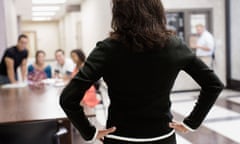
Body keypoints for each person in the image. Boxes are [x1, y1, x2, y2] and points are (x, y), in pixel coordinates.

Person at [60, 0, 224, 144]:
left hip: (121, 137)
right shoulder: (175, 46)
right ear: (157, 10)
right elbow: (213, 84)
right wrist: (191, 123)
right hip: (163, 137)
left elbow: (68, 98)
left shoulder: (107, 49)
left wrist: (90, 132)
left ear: (119, 14)